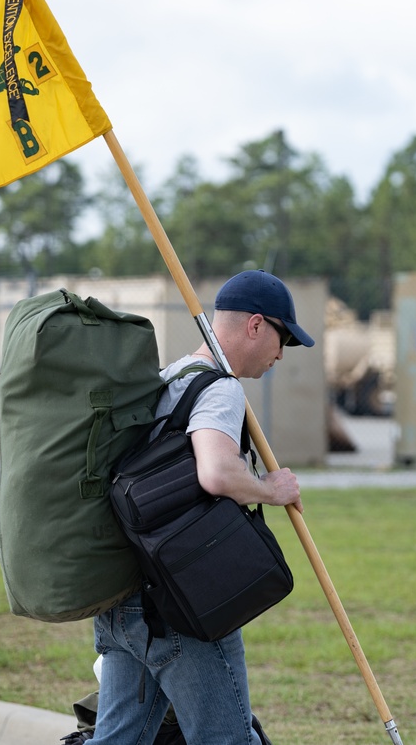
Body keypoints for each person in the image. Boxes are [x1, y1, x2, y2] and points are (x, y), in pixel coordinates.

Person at [88, 269, 314, 745]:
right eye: (282, 338)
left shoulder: (169, 377)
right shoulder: (221, 389)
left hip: (125, 603)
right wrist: (272, 489)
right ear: (255, 325)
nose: (281, 354)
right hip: (181, 607)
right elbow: (215, 472)